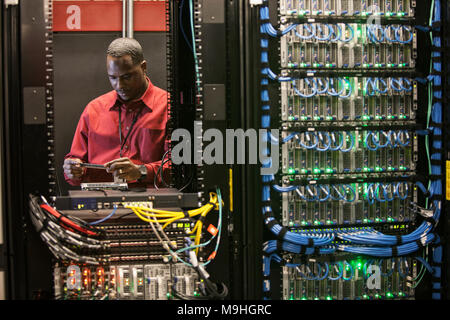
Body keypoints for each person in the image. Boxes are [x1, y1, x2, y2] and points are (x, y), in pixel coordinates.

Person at [63, 37, 169, 187]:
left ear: (143, 67)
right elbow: (74, 168)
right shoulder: (93, 110)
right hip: (100, 204)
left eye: (127, 77)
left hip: (153, 205)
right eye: (112, 78)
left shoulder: (168, 107)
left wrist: (141, 171)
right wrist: (72, 169)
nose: (119, 85)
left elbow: (181, 168)